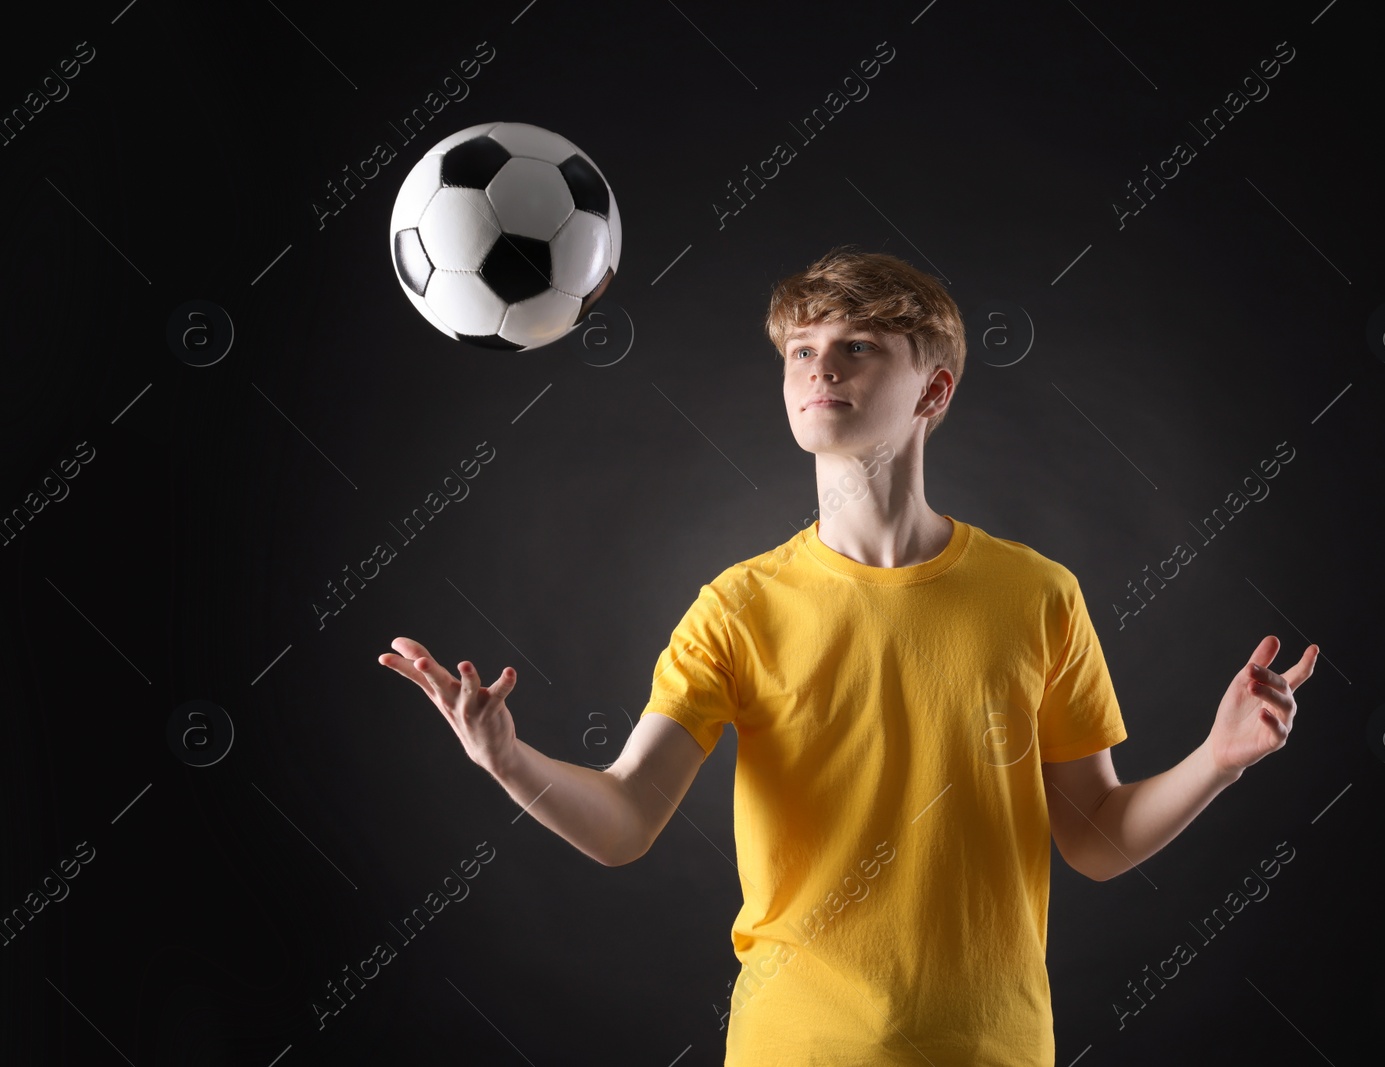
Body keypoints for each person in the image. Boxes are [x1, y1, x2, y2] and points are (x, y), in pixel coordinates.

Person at [379, 246, 1319, 1065]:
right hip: (796, 1050)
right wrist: (506, 760)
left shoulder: (1039, 595)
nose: (819, 368)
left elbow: (1097, 838)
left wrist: (1217, 760)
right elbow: (626, 819)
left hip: (994, 1051)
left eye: (857, 346)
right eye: (801, 351)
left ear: (934, 390)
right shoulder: (738, 607)